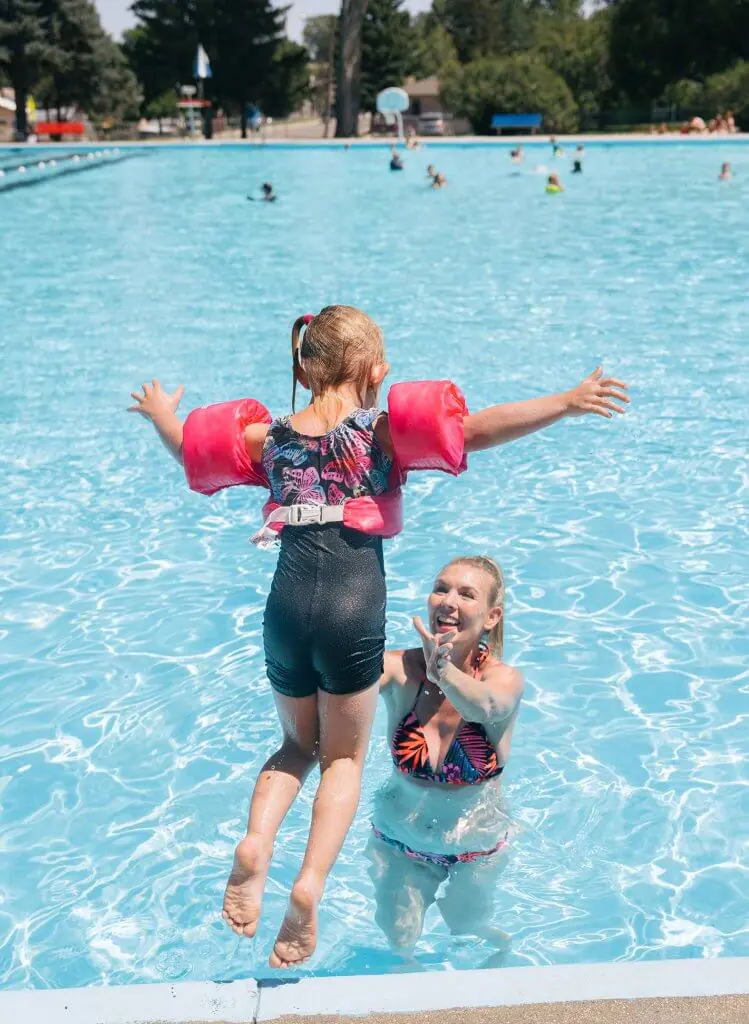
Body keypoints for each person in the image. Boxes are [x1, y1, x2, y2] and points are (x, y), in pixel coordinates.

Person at [128, 308, 629, 968]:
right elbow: (476, 430)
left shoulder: (266, 437)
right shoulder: (381, 434)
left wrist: (164, 414)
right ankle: (306, 887)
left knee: (291, 745)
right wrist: (564, 403)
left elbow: (193, 450)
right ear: (372, 372)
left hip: (285, 606)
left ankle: (255, 843)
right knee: (341, 758)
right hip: (350, 603)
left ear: (304, 369)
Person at [369, 555, 521, 953]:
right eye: (441, 589)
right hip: (400, 839)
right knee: (397, 940)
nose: (448, 601)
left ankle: (502, 954)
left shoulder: (502, 679)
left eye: (466, 594)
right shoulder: (401, 669)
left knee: (468, 927)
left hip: (475, 848)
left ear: (491, 617)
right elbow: (350, 673)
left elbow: (485, 707)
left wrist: (444, 672)